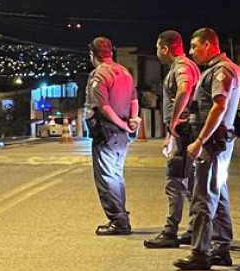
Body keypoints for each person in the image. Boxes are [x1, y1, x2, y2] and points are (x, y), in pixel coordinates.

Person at [175, 27, 240, 271]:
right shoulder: (220, 69)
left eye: (194, 46)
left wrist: (200, 140)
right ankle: (221, 249)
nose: (191, 52)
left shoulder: (221, 70)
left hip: (213, 144)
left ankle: (200, 253)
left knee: (202, 198)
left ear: (208, 45)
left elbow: (219, 107)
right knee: (218, 194)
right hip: (218, 142)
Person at [144, 30, 200, 250]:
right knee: (190, 183)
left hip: (184, 132)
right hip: (184, 131)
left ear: (165, 48)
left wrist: (175, 122)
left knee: (174, 181)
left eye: (158, 48)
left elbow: (184, 90)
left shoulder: (181, 67)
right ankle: (196, 228)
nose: (157, 52)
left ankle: (170, 231)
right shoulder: (187, 65)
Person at [84, 36, 139, 235]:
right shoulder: (125, 72)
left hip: (106, 132)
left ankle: (118, 221)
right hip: (122, 135)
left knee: (107, 177)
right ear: (111, 52)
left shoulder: (100, 75)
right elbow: (134, 100)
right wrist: (131, 121)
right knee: (116, 175)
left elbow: (104, 107)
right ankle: (121, 216)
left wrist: (121, 123)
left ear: (92, 54)